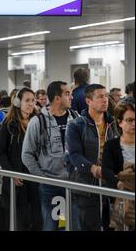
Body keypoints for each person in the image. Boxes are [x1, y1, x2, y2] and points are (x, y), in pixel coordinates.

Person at [22, 81, 78, 231]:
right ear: (57, 98)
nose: (71, 97)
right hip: (51, 185)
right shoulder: (38, 122)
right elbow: (27, 154)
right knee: (52, 225)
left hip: (74, 183)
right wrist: (42, 177)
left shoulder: (76, 119)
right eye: (67, 93)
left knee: (72, 225)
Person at [66, 84, 118, 231]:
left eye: (106, 96)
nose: (105, 100)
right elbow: (74, 155)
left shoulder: (114, 123)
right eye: (100, 96)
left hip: (111, 184)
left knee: (112, 226)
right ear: (88, 101)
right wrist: (92, 168)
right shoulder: (76, 125)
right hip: (87, 185)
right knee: (90, 225)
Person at [0, 87, 42, 231]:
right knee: (20, 218)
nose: (31, 104)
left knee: (37, 217)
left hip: (35, 175)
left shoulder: (39, 122)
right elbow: (2, 153)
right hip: (17, 175)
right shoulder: (8, 125)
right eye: (27, 100)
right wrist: (11, 173)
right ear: (17, 102)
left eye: (33, 101)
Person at [103, 101, 135, 189]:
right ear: (119, 122)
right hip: (123, 193)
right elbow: (106, 170)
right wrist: (118, 183)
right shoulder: (111, 145)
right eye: (129, 120)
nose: (134, 124)